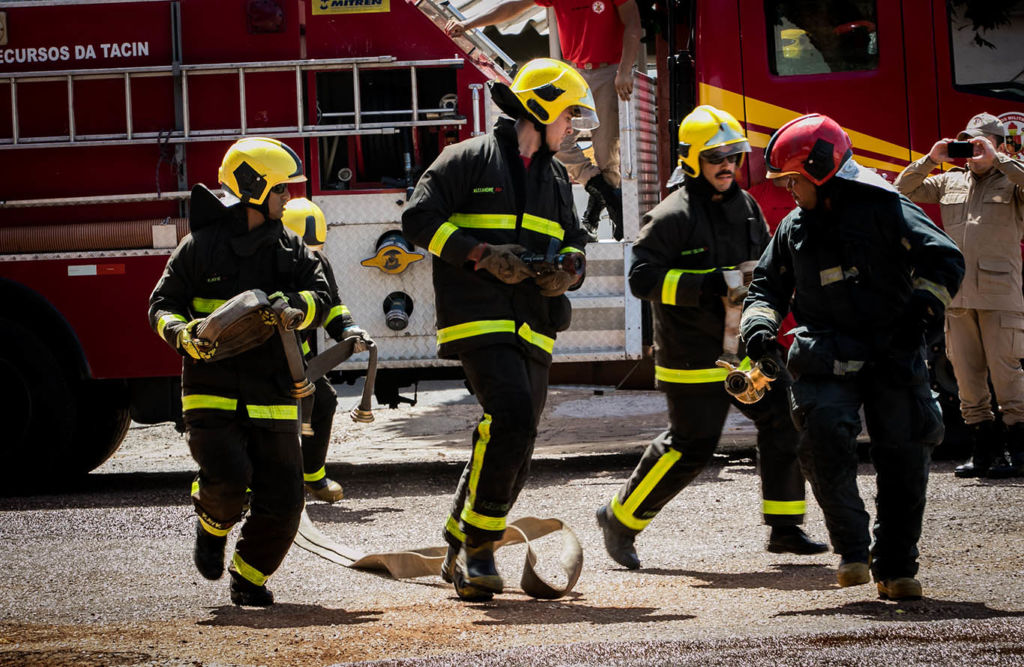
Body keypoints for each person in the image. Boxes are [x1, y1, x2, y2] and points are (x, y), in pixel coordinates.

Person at [594, 105, 827, 572]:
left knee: (784, 419)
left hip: (742, 353)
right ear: (692, 160)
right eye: (716, 155)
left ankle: (784, 529)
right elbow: (641, 279)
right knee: (691, 445)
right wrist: (707, 284)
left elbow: (765, 265)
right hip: (690, 356)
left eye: (735, 155)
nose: (727, 165)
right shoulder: (671, 214)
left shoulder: (745, 207)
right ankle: (619, 518)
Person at [741, 114, 964, 600]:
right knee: (822, 440)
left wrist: (919, 318)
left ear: (820, 170)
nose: (786, 190)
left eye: (791, 180)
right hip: (827, 351)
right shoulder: (794, 228)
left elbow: (943, 259)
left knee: (905, 452)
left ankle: (897, 567)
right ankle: (853, 552)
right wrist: (758, 327)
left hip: (893, 350)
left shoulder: (887, 208)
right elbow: (765, 288)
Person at [401, 58, 593, 601]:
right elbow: (417, 220)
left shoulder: (557, 178)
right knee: (508, 415)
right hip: (477, 316)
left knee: (519, 439)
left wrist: (569, 269)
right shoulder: (466, 159)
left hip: (534, 324)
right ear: (539, 109)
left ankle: (459, 542)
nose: (573, 128)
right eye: (568, 116)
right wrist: (481, 256)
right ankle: (479, 551)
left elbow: (574, 239)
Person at [149, 137, 332, 607]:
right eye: (280, 190)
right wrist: (184, 334)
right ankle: (213, 524)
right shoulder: (199, 249)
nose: (287, 198)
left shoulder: (290, 249)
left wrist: (295, 307)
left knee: (286, 497)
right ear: (253, 188)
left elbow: (322, 295)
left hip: (271, 388)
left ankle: (248, 577)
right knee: (229, 478)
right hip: (210, 388)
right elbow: (161, 305)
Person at [445, 0, 643, 240]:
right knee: (557, 142)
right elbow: (512, 7)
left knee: (605, 152)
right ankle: (605, 193)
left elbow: (633, 24)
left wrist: (624, 70)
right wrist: (468, 24)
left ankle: (606, 207)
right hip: (574, 73)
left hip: (609, 72)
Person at [895, 112, 1024, 479]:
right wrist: (931, 159)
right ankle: (983, 452)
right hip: (959, 296)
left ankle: (1019, 450)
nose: (974, 149)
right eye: (968, 141)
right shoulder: (949, 181)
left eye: (982, 141)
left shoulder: (1013, 181)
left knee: (1007, 376)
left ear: (1000, 145)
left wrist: (998, 159)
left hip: (1000, 296)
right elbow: (902, 190)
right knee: (967, 380)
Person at [281, 197, 373, 503]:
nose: (310, 259)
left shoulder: (318, 262)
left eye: (314, 251)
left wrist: (349, 331)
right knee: (264, 417)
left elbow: (332, 305)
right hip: (262, 358)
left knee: (323, 402)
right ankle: (252, 486)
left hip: (299, 356)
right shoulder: (266, 265)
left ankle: (313, 477)